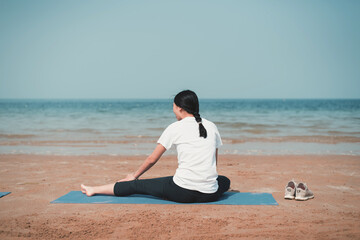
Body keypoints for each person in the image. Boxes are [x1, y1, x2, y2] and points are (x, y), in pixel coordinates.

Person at [81, 90, 230, 203]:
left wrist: (133, 176)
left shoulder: (175, 127)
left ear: (179, 108)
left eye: (173, 106)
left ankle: (93, 189)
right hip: (210, 194)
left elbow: (152, 159)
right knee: (225, 181)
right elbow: (213, 162)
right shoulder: (211, 126)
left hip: (182, 192)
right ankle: (96, 189)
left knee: (137, 186)